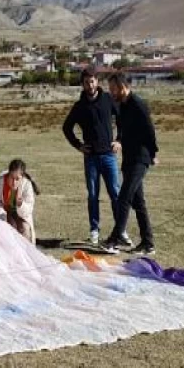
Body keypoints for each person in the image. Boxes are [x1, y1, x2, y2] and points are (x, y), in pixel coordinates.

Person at [62, 67, 128, 245]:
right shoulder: (79, 106)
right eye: (86, 82)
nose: (90, 85)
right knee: (93, 195)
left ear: (97, 82)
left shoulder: (108, 99)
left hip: (109, 156)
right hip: (90, 157)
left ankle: (120, 230)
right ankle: (94, 230)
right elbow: (66, 128)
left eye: (92, 81)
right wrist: (78, 145)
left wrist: (119, 140)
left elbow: (122, 118)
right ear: (82, 84)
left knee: (115, 193)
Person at [103, 73, 159, 255]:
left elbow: (150, 131)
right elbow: (122, 129)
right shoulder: (123, 106)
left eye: (113, 89)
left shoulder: (138, 104)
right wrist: (119, 140)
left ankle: (116, 237)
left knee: (124, 197)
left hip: (140, 159)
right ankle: (148, 242)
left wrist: (153, 153)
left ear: (122, 87)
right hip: (129, 159)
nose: (111, 93)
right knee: (138, 201)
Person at [0, 159, 40, 243]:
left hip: (21, 215)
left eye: (17, 179)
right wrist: (2, 216)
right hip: (4, 212)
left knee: (25, 230)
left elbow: (28, 209)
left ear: (22, 178)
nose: (14, 182)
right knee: (8, 229)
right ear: (8, 174)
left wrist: (21, 204)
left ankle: (25, 254)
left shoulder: (27, 185)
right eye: (11, 178)